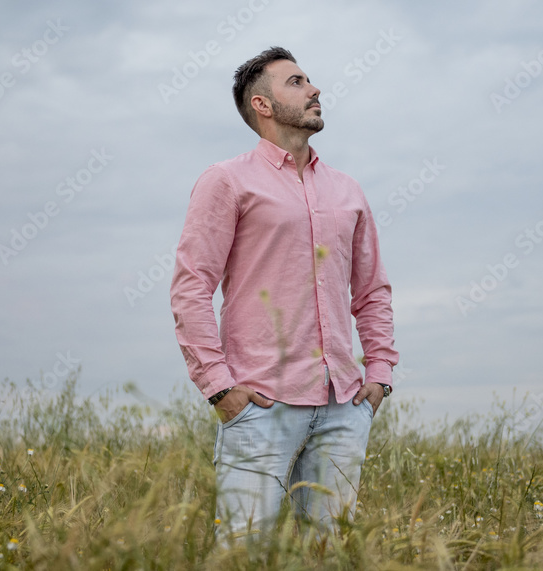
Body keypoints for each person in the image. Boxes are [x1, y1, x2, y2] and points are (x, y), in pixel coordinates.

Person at [169, 46, 399, 544]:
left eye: (310, 81)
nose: (314, 89)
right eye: (296, 82)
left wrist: (379, 375)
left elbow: (372, 290)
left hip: (344, 407)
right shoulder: (226, 181)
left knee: (329, 553)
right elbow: (191, 287)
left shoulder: (348, 191)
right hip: (260, 407)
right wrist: (219, 388)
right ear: (263, 105)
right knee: (245, 553)